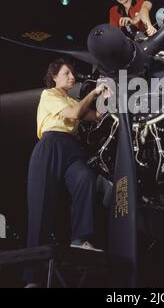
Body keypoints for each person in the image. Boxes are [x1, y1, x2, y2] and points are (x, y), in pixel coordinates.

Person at [23, 58, 112, 287]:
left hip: (71, 148)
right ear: (54, 76)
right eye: (66, 73)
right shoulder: (49, 95)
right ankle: (31, 279)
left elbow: (96, 116)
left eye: (73, 74)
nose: (72, 77)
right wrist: (93, 94)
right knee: (41, 208)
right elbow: (74, 115)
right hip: (50, 146)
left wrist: (106, 99)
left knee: (85, 179)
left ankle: (79, 239)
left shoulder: (72, 100)